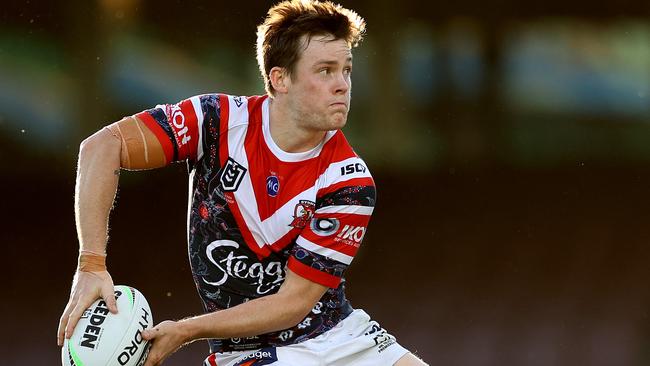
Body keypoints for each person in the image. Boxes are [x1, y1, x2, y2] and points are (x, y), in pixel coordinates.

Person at [57, 1, 428, 365]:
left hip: (343, 339)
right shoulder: (214, 121)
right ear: (279, 79)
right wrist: (91, 264)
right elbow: (102, 147)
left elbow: (292, 304)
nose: (343, 85)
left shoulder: (350, 180)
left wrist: (186, 330)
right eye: (325, 71)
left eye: (346, 70)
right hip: (250, 354)